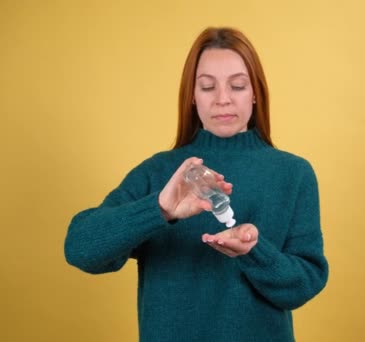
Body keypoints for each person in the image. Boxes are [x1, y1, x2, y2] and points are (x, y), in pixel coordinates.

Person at [64, 27, 329, 342]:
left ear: (256, 92)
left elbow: (303, 286)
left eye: (238, 85)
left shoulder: (293, 174)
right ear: (191, 95)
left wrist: (254, 252)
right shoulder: (159, 173)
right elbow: (80, 250)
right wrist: (159, 209)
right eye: (207, 87)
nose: (222, 99)